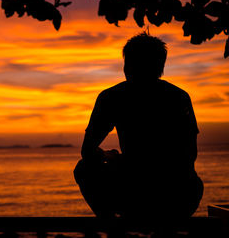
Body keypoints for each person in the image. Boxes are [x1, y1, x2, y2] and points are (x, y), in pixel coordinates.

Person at [74, 32, 203, 219]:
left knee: (84, 169)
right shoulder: (179, 96)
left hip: (132, 192)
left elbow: (87, 151)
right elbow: (190, 155)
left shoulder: (112, 97)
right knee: (194, 184)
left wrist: (110, 156)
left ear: (127, 64)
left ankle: (112, 228)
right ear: (161, 66)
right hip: (177, 197)